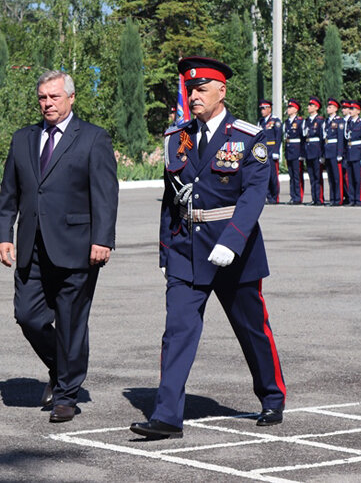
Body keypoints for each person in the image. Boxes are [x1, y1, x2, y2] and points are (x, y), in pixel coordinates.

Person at [130, 57, 286, 439]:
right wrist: (167, 253)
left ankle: (271, 396)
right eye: (190, 89)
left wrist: (232, 241)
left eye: (201, 89)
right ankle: (167, 416)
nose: (194, 96)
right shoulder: (176, 138)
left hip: (235, 250)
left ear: (222, 91)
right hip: (186, 249)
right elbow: (171, 202)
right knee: (177, 332)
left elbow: (253, 195)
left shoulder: (249, 136)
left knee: (252, 329)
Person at [0, 70, 118, 423]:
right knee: (28, 316)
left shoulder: (93, 138)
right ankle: (61, 368)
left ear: (71, 98)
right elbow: (9, 194)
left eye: (54, 97)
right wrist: (4, 234)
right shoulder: (23, 139)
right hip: (31, 246)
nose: (47, 104)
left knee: (70, 322)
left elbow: (106, 195)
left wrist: (102, 239)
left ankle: (66, 394)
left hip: (77, 247)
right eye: (43, 98)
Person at [344, 101, 361, 206]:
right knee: (350, 178)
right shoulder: (349, 123)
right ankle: (352, 199)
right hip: (350, 152)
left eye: (353, 109)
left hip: (358, 153)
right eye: (350, 109)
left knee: (358, 179)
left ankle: (359, 199)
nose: (350, 111)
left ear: (358, 111)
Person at [258, 99, 282, 204]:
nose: (262, 111)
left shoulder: (275, 121)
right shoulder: (261, 122)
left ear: (269, 108)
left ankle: (274, 197)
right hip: (263, 152)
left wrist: (276, 151)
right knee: (264, 175)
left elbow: (278, 137)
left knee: (273, 176)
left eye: (264, 108)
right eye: (261, 109)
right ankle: (268, 196)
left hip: (272, 151)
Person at [323, 98, 345, 206]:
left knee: (337, 177)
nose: (328, 109)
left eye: (330, 107)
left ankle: (338, 199)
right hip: (328, 151)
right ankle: (332, 198)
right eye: (328, 107)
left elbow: (340, 138)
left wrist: (340, 153)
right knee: (331, 178)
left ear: (335, 109)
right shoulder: (326, 121)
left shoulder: (339, 121)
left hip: (335, 151)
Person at [303, 97, 324, 205]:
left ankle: (319, 198)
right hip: (308, 150)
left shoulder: (320, 121)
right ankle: (314, 198)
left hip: (316, 151)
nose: (308, 107)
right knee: (311, 176)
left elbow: (321, 138)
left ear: (316, 107)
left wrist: (321, 154)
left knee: (317, 176)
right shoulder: (307, 121)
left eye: (311, 105)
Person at [284, 99, 305, 204]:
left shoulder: (300, 121)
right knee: (291, 175)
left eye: (290, 107)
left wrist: (302, 153)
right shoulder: (287, 122)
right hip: (289, 150)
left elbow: (303, 139)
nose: (288, 109)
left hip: (297, 150)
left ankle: (298, 197)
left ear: (296, 109)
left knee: (297, 175)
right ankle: (293, 196)